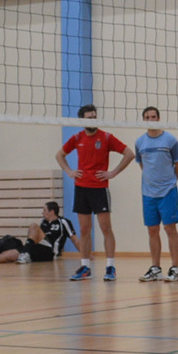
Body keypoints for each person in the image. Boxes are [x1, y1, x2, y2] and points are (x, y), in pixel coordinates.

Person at [56, 104, 133, 282]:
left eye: (94, 117)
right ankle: (85, 267)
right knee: (84, 229)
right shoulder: (77, 138)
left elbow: (129, 154)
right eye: (89, 118)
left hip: (99, 188)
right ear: (82, 120)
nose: (93, 120)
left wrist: (113, 172)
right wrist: (69, 171)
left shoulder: (106, 137)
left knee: (106, 228)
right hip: (81, 188)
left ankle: (110, 267)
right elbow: (59, 155)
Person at [134, 106, 178, 282]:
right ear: (144, 120)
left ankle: (175, 268)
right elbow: (142, 165)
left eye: (153, 116)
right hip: (148, 193)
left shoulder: (170, 140)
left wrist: (170, 182)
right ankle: (155, 268)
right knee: (152, 230)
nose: (151, 119)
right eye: (147, 117)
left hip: (168, 191)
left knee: (170, 228)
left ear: (159, 118)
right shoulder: (140, 142)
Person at [0, 200, 76, 265]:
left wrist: (84, 256)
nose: (42, 213)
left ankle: (25, 254)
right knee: (8, 255)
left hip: (50, 252)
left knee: (33, 226)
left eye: (44, 210)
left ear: (52, 212)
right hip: (37, 249)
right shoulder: (43, 222)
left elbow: (75, 239)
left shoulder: (64, 222)